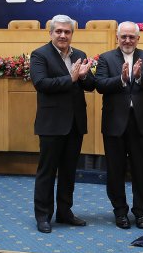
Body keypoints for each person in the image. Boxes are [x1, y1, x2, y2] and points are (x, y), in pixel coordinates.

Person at [30, 15, 96, 233]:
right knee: (47, 171)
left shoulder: (79, 54)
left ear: (72, 34)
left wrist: (83, 77)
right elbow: (41, 84)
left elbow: (91, 86)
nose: (63, 35)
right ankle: (43, 215)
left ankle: (65, 211)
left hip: (75, 123)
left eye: (67, 32)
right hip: (52, 124)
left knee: (69, 171)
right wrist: (71, 78)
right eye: (58, 31)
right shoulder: (40, 55)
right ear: (50, 33)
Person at [95, 21, 143, 229]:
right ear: (117, 37)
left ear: (138, 39)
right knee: (115, 170)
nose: (127, 40)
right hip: (114, 122)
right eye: (124, 36)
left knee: (140, 169)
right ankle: (120, 212)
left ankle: (140, 212)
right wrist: (121, 79)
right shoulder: (106, 58)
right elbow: (100, 85)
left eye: (132, 37)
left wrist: (140, 77)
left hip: (140, 122)